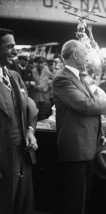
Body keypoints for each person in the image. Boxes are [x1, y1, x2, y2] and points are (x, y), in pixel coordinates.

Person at [53, 39, 106, 214]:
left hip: (87, 146)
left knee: (85, 198)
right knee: (76, 201)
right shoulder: (62, 79)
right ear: (75, 55)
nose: (88, 59)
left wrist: (101, 132)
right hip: (76, 149)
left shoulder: (80, 78)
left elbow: (90, 108)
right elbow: (84, 105)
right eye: (85, 54)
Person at [0, 28, 39, 214]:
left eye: (14, 46)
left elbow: (29, 104)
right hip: (3, 160)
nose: (15, 51)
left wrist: (30, 130)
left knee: (24, 206)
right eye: (10, 47)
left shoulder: (14, 76)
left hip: (23, 155)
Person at [31, 56, 53, 120]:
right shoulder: (32, 71)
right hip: (35, 97)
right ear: (35, 63)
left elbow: (53, 79)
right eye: (38, 63)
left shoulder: (47, 71)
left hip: (45, 96)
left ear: (44, 63)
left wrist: (48, 86)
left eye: (42, 63)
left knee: (44, 115)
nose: (40, 64)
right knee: (35, 115)